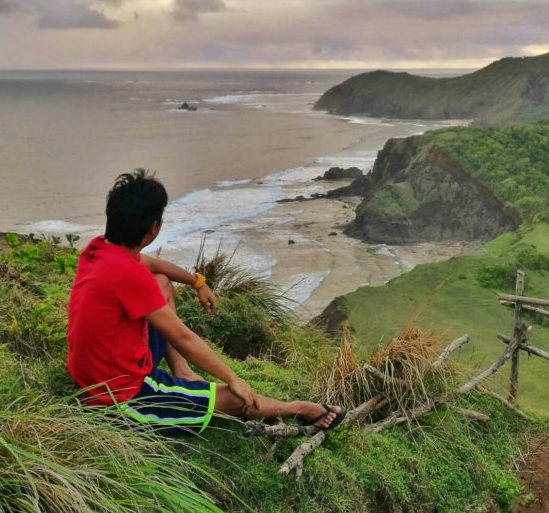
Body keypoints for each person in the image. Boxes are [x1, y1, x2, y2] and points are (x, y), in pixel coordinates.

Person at [67, 169, 345, 434]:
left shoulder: (100, 247)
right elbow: (183, 337)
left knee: (161, 282)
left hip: (97, 373)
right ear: (153, 228)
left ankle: (182, 371)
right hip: (120, 397)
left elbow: (153, 264)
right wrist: (233, 379)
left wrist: (198, 282)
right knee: (236, 400)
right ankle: (300, 408)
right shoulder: (129, 275)